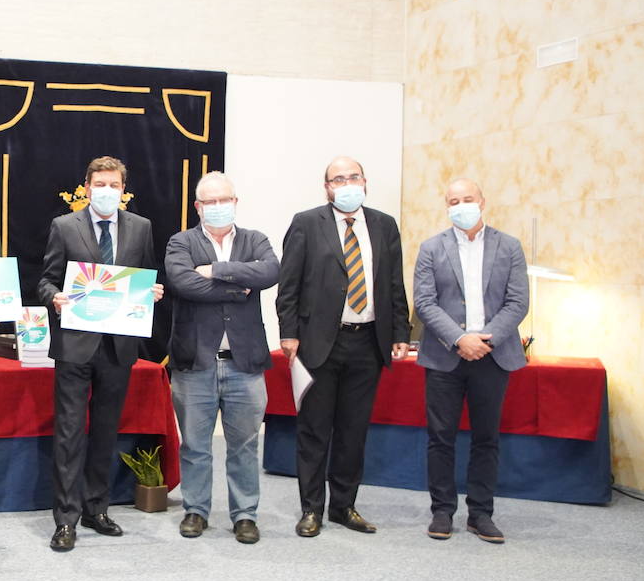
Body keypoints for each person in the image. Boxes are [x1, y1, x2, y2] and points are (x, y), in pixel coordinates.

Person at [275, 156, 410, 537]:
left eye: (352, 177)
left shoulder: (384, 225)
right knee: (315, 430)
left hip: (368, 342)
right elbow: (289, 285)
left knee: (354, 431)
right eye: (338, 179)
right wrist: (288, 332)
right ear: (327, 187)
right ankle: (311, 509)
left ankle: (344, 506)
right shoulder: (306, 223)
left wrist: (401, 330)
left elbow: (393, 284)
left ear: (365, 182)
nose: (346, 184)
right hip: (319, 343)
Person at [38, 156, 164, 552]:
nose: (106, 191)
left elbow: (147, 275)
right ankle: (66, 519)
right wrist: (53, 298)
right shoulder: (64, 226)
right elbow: (45, 279)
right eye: (100, 184)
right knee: (70, 434)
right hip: (75, 345)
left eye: (114, 185)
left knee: (106, 432)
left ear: (123, 189)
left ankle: (97, 508)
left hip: (119, 345)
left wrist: (152, 292)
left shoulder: (141, 227)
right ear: (87, 186)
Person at [164, 173, 278, 544]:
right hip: (195, 361)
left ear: (235, 202)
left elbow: (270, 272)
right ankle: (195, 510)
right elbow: (183, 283)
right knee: (195, 445)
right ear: (197, 207)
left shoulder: (254, 239)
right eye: (209, 202)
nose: (217, 207)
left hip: (244, 363)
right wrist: (239, 290)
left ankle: (245, 515)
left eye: (223, 200)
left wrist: (217, 271)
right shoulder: (181, 242)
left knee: (244, 445)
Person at [413, 178, 528, 543]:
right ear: (446, 206)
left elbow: (518, 302)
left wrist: (484, 340)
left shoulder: (509, 246)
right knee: (440, 438)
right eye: (453, 201)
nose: (461, 205)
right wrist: (460, 338)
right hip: (445, 355)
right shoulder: (431, 248)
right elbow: (425, 302)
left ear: (483, 201)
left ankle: (481, 513)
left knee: (486, 438)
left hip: (493, 356)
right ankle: (442, 511)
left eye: (467, 199)